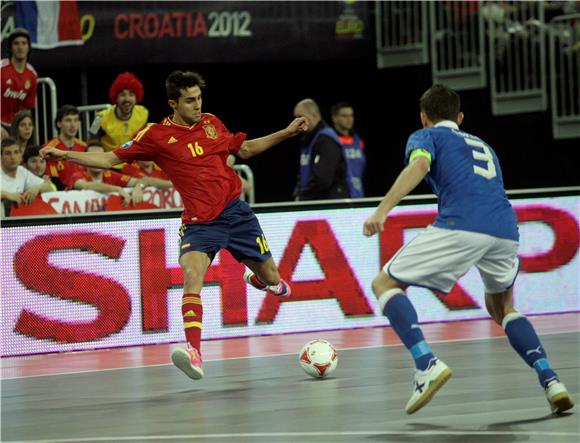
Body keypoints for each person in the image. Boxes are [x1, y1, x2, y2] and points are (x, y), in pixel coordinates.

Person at [41, 70, 308, 380]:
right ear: (173, 103)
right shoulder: (154, 136)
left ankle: (264, 281)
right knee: (192, 276)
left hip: (236, 215)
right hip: (199, 224)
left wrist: (286, 133)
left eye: (199, 99)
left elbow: (244, 149)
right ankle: (194, 352)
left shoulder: (211, 123)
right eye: (190, 100)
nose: (197, 105)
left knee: (276, 281)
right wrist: (62, 153)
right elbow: (109, 160)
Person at [362, 84, 575, 415]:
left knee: (384, 284)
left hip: (461, 224)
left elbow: (418, 167)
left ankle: (426, 362)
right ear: (459, 117)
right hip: (505, 230)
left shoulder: (426, 137)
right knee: (503, 307)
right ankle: (551, 380)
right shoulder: (483, 144)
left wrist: (382, 210)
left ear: (423, 117)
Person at [292, 98, 349, 200]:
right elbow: (303, 173)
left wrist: (302, 197)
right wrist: (297, 193)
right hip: (314, 203)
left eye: (300, 117)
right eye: (295, 118)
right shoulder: (309, 140)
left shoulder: (327, 139)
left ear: (314, 116)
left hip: (329, 206)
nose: (296, 122)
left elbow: (323, 180)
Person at [88, 71, 149, 154]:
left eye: (131, 95)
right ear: (116, 97)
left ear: (136, 97)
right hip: (110, 164)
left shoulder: (143, 113)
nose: (127, 99)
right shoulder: (99, 118)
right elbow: (91, 141)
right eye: (123, 95)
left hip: (134, 163)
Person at [1, 28, 37, 140]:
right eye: (16, 43)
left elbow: (27, 108)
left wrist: (25, 128)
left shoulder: (32, 74)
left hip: (17, 128)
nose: (20, 47)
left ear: (28, 47)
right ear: (11, 47)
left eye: (24, 43)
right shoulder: (2, 68)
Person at [1, 137, 52, 216]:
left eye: (16, 152)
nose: (13, 157)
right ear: (1, 157)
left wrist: (37, 187)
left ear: (20, 156)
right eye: (8, 153)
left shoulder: (22, 171)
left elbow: (49, 187)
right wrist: (6, 195)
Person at [330, 101, 366, 198]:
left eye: (351, 115)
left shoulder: (358, 141)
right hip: (339, 197)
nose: (349, 119)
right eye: (344, 116)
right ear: (334, 118)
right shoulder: (330, 141)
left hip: (358, 195)